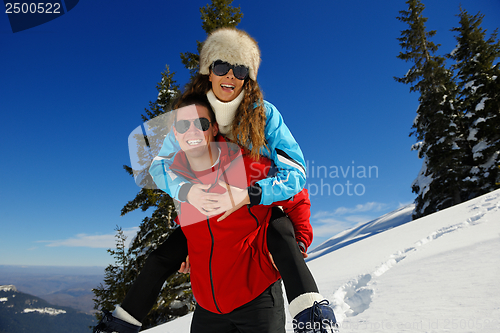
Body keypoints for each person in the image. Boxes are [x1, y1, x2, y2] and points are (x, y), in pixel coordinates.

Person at [94, 28, 338, 333]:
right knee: (162, 256)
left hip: (257, 290)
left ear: (248, 77)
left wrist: (251, 197)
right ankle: (122, 323)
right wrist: (187, 204)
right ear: (209, 71)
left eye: (240, 69)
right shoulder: (193, 119)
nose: (230, 76)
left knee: (275, 219)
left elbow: (296, 180)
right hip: (210, 301)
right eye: (222, 66)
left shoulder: (262, 122)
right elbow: (158, 165)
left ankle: (311, 314)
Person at [95, 94, 309, 332]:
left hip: (257, 301)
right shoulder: (178, 178)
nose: (192, 132)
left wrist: (299, 241)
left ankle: (311, 312)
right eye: (183, 126)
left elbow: (296, 196)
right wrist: (190, 246)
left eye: (202, 124)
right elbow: (190, 220)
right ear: (175, 135)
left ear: (214, 128)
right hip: (208, 308)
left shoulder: (244, 162)